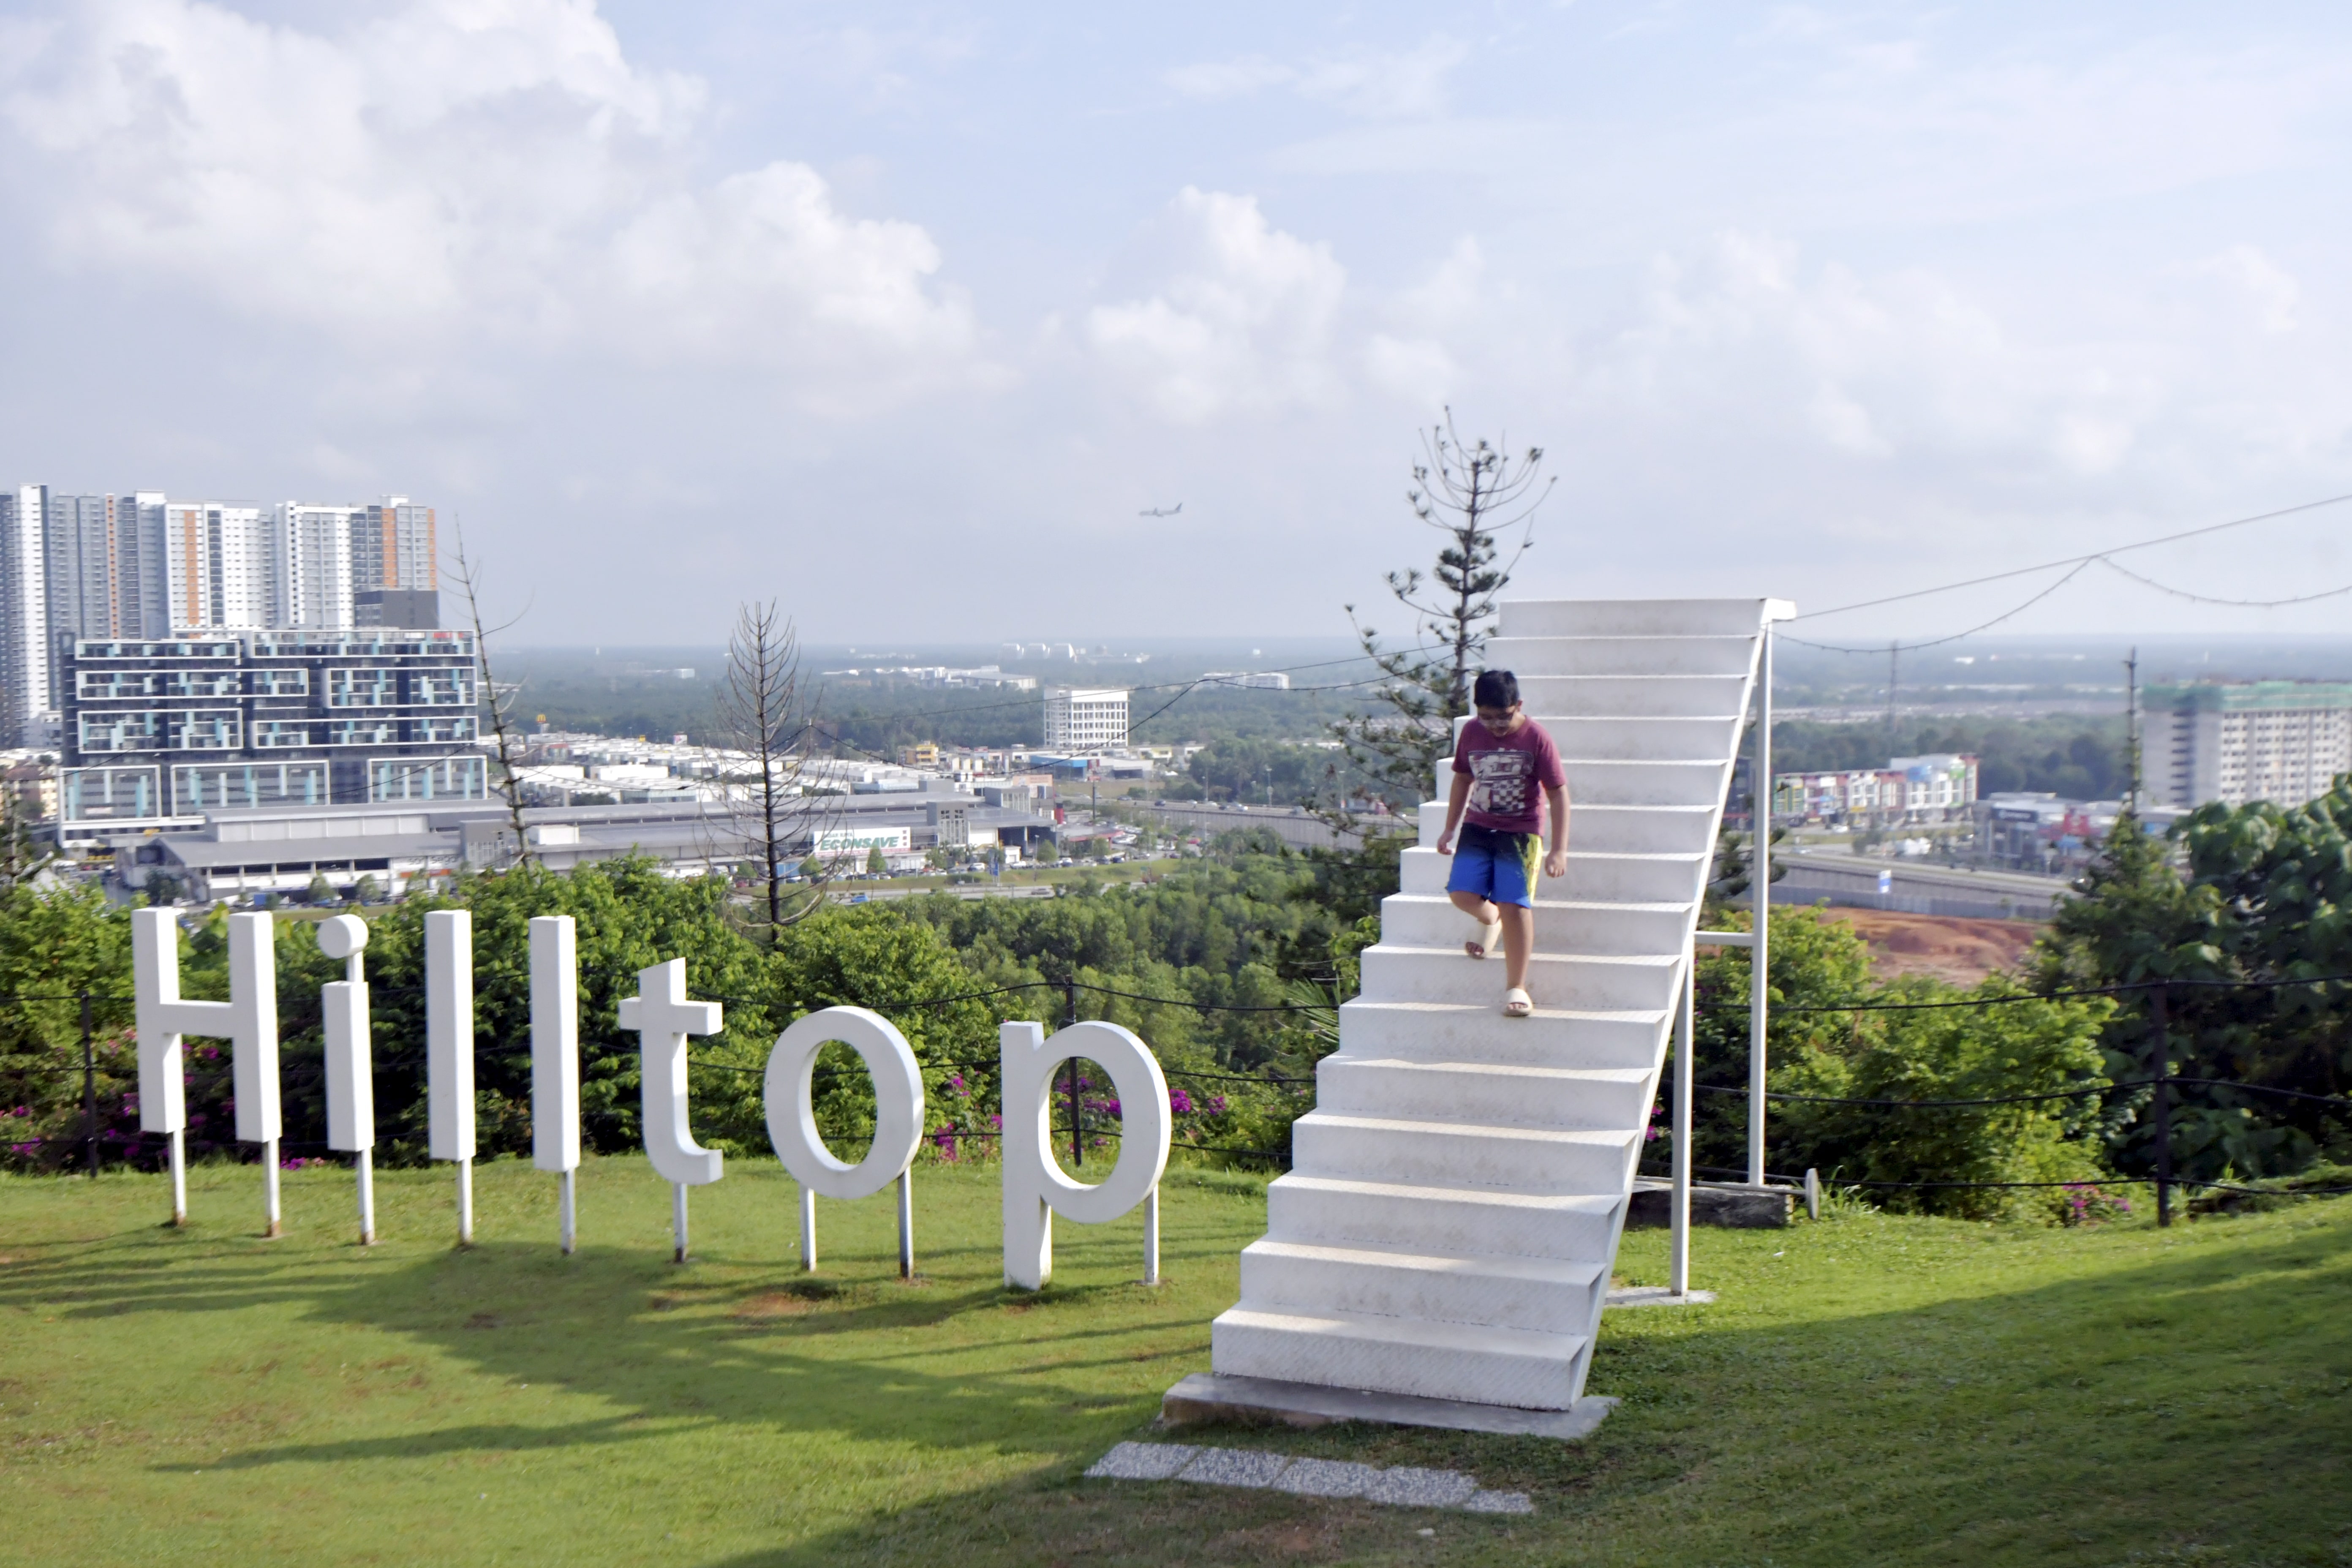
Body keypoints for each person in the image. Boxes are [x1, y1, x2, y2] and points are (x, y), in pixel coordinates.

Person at [1434, 669, 1569, 1018]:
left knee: (1516, 905)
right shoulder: (1471, 732)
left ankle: (1517, 986)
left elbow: (1558, 793)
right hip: (1478, 825)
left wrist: (1559, 848)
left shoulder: (1537, 737)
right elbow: (1463, 778)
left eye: (1504, 717)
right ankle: (1490, 918)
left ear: (1518, 705)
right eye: (1486, 717)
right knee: (1461, 894)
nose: (1495, 725)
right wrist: (1450, 828)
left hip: (1521, 831)